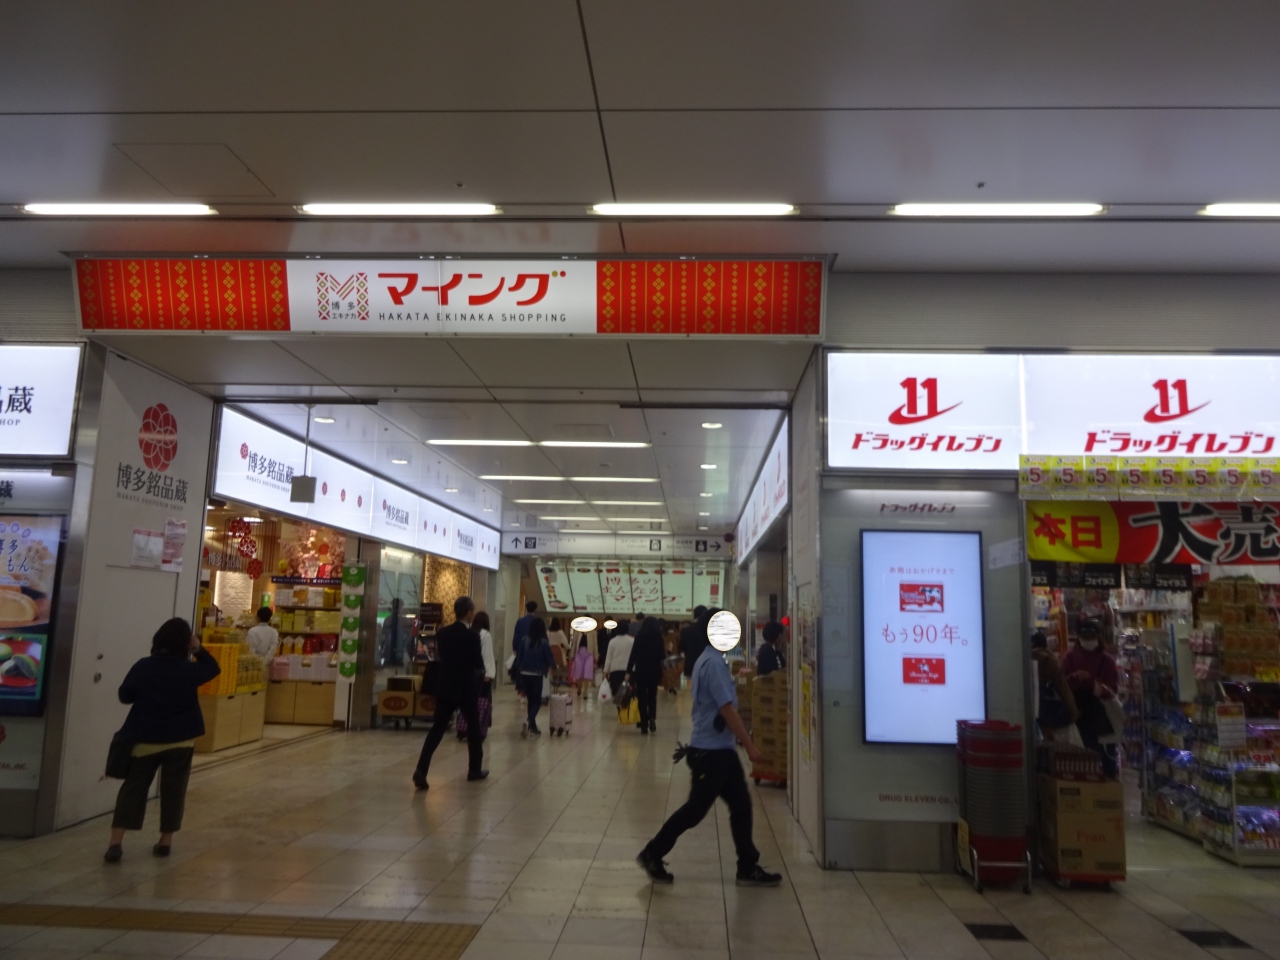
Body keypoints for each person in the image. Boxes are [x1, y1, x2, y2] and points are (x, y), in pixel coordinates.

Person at [636, 609, 782, 888]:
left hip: (719, 750)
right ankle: (652, 853)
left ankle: (747, 865)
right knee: (695, 810)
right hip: (711, 753)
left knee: (741, 805)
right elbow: (726, 709)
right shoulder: (713, 664)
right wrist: (749, 745)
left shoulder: (708, 659)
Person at [104, 618, 221, 863]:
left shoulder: (143, 666)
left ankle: (116, 842)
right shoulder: (188, 670)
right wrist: (199, 650)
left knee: (132, 790)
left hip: (145, 738)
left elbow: (125, 696)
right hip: (180, 741)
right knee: (174, 791)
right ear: (186, 644)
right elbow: (213, 668)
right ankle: (165, 841)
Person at [412, 597, 488, 790]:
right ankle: (474, 769)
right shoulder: (472, 637)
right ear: (468, 612)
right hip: (466, 689)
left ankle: (421, 770)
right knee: (474, 729)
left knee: (437, 729)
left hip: (446, 687)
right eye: (472, 610)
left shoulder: (442, 633)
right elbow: (478, 663)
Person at [1062, 618, 1120, 777]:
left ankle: (1107, 781)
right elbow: (1061, 685)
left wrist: (1098, 687)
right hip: (1077, 714)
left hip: (1102, 716)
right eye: (1085, 637)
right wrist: (1075, 677)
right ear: (1079, 638)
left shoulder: (1107, 661)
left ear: (1098, 637)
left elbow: (1113, 689)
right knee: (1081, 758)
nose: (1088, 641)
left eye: (1091, 637)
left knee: (1103, 757)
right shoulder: (1069, 658)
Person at [1031, 630, 1078, 742]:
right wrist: (1073, 712)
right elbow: (1062, 687)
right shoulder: (1048, 660)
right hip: (1046, 712)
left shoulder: (1019, 658)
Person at [516, 617, 555, 737]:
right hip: (537, 674)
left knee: (530, 701)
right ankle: (529, 720)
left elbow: (519, 657)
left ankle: (532, 727)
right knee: (537, 702)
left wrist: (519, 670)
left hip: (524, 673)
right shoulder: (544, 643)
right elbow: (549, 658)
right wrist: (554, 667)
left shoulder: (524, 640)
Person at [626, 617, 666, 734]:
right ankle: (652, 718)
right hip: (654, 671)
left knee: (642, 697)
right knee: (652, 696)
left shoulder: (639, 638)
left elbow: (633, 656)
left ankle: (644, 724)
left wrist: (628, 671)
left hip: (641, 671)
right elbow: (662, 656)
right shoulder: (659, 639)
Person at [602, 622, 635, 698]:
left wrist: (605, 672)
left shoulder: (613, 641)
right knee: (629, 694)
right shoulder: (632, 641)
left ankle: (619, 706)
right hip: (629, 671)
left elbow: (609, 658)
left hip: (615, 671)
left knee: (617, 694)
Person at [681, 606, 708, 678]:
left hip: (690, 667)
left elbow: (682, 651)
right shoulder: (709, 631)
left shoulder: (686, 631)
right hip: (706, 668)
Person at [570, 634, 595, 703]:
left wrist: (596, 656)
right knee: (578, 671)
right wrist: (572, 654)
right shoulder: (577, 632)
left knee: (587, 672)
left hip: (589, 654)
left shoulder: (593, 632)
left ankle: (585, 691)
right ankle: (579, 686)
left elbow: (595, 645)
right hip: (579, 653)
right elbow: (574, 643)